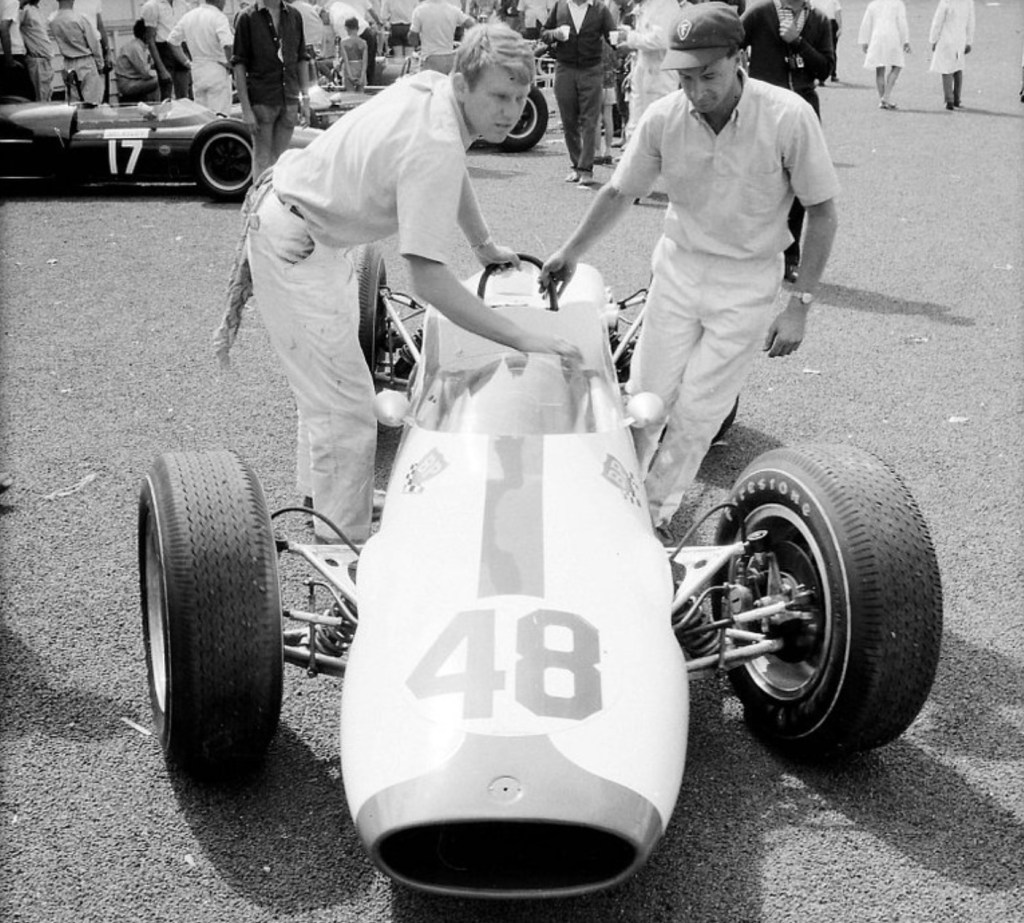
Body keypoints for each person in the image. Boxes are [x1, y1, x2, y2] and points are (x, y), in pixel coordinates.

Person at [218, 22, 580, 544]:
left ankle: (330, 502)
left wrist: (482, 245)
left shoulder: (434, 89)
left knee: (328, 392)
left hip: (308, 226)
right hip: (296, 240)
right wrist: (525, 338)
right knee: (346, 408)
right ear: (464, 85)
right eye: (500, 96)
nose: (512, 111)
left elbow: (453, 167)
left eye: (521, 97)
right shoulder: (436, 140)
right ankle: (343, 543)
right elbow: (428, 280)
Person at [539, 2, 839, 540]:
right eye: (685, 78)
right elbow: (620, 191)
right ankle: (614, 501)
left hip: (746, 282)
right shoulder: (663, 117)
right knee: (644, 403)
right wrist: (570, 252)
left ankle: (648, 520)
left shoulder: (789, 116)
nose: (697, 91)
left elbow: (822, 209)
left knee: (698, 415)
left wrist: (801, 304)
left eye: (709, 76)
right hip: (678, 270)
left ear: (739, 59)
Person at [742, 0, 833, 283]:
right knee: (756, 181)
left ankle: (790, 258)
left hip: (803, 110)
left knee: (800, 186)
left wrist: (798, 41)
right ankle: (751, 252)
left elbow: (825, 69)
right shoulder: (760, 13)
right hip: (763, 110)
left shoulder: (819, 19)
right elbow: (729, 44)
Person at [541, 0, 617, 186]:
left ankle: (586, 169)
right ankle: (576, 165)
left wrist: (622, 42)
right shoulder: (560, 6)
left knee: (590, 120)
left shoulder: (600, 9)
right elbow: (544, 32)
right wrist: (555, 34)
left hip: (591, 69)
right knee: (568, 120)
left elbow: (612, 37)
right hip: (564, 68)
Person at [233, 0, 310, 177]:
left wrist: (305, 100)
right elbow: (239, 65)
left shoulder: (294, 15)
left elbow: (301, 58)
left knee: (281, 161)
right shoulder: (247, 17)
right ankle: (260, 195)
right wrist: (246, 110)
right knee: (262, 159)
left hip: (289, 97)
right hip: (262, 99)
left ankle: (272, 195)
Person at [617, 0, 678, 141]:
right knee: (637, 124)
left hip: (660, 78)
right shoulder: (644, 6)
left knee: (659, 127)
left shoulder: (665, 5)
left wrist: (630, 38)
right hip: (642, 73)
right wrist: (631, 41)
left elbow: (661, 40)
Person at [168, 0, 234, 112]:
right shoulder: (218, 17)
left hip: (197, 70)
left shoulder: (189, 17)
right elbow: (228, 44)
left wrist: (186, 62)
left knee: (202, 114)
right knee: (220, 115)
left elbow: (172, 41)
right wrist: (231, 64)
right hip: (217, 69)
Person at [48, 0, 104, 103]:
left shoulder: (53, 20)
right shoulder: (80, 18)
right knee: (92, 101)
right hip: (85, 61)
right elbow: (94, 43)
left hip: (67, 62)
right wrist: (100, 64)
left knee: (74, 101)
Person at [858, 0, 909, 110]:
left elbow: (865, 24)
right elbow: (902, 23)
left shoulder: (873, 4)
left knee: (880, 69)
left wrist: (864, 41)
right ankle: (886, 97)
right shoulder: (898, 4)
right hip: (893, 36)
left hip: (877, 37)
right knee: (897, 65)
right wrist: (905, 40)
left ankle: (883, 99)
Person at [140, 0, 192, 99]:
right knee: (167, 92)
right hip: (164, 49)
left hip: (181, 47)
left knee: (184, 94)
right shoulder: (152, 5)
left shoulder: (183, 4)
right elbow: (150, 39)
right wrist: (161, 69)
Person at [928, 0, 974, 110]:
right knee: (958, 68)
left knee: (946, 69)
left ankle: (949, 99)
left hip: (946, 38)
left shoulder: (946, 2)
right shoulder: (968, 2)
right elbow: (971, 21)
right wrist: (969, 41)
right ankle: (957, 98)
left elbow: (937, 22)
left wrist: (933, 39)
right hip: (960, 39)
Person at [409, 0, 474, 75]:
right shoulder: (453, 10)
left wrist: (417, 45)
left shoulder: (419, 10)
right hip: (450, 58)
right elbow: (473, 26)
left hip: (430, 58)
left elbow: (412, 37)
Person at [115, 16, 159, 101]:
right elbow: (146, 73)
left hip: (136, 80)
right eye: (152, 31)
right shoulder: (136, 48)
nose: (155, 34)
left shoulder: (143, 47)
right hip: (128, 83)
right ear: (145, 33)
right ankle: (156, 105)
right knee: (159, 80)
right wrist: (160, 73)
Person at [18, 0, 54, 101]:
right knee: (40, 97)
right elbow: (15, 29)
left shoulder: (37, 9)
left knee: (46, 95)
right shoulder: (25, 10)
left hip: (46, 59)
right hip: (36, 59)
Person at [0, 0, 34, 98]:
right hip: (13, 54)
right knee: (24, 97)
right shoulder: (12, 2)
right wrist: (9, 60)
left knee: (6, 96)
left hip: (4, 54)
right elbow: (3, 28)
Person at [811, 0, 840, 81]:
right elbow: (837, 12)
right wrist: (840, 27)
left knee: (819, 49)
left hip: (819, 22)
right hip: (829, 22)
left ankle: (823, 76)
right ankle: (832, 74)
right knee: (832, 49)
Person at [337, 13, 366, 89]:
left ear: (347, 28)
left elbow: (346, 60)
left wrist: (350, 76)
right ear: (357, 28)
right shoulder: (363, 43)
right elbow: (365, 62)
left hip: (349, 68)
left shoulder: (343, 42)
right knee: (361, 94)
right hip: (360, 69)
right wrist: (362, 77)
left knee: (349, 94)